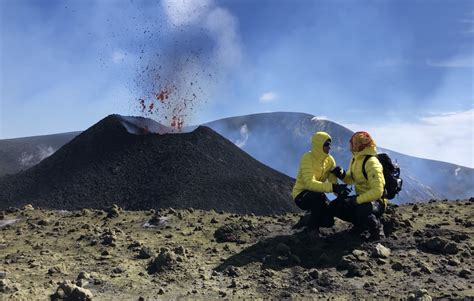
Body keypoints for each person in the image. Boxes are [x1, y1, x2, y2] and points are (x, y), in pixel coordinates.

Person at [292, 131, 350, 238]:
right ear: (319, 145)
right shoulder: (307, 158)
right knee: (317, 196)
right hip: (301, 195)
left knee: (328, 221)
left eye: (330, 144)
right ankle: (312, 229)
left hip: (318, 194)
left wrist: (340, 193)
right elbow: (310, 183)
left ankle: (307, 219)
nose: (329, 147)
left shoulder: (330, 160)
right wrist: (334, 188)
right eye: (326, 144)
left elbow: (333, 183)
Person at [330, 131, 387, 240]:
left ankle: (377, 230)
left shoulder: (372, 162)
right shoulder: (356, 159)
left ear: (359, 145)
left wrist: (356, 200)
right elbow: (351, 179)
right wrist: (341, 175)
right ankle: (360, 225)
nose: (351, 146)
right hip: (362, 198)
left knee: (362, 209)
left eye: (353, 143)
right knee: (336, 206)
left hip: (377, 202)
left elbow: (377, 191)